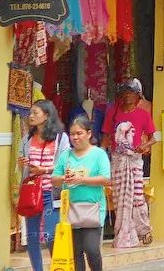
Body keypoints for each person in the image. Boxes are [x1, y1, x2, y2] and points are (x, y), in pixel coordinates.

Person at [101, 79, 155, 247]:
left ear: (137, 96)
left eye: (129, 94)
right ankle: (123, 235)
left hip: (135, 161)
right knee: (119, 198)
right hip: (117, 160)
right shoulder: (113, 113)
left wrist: (144, 146)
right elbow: (107, 137)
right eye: (123, 94)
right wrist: (100, 153)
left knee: (137, 196)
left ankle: (143, 229)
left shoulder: (143, 115)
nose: (126, 98)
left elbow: (155, 138)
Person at [53, 116, 111, 271]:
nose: (75, 137)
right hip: (70, 209)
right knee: (76, 252)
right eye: (72, 134)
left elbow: (106, 179)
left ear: (89, 133)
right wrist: (64, 178)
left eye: (79, 133)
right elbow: (54, 179)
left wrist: (82, 179)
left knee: (92, 249)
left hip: (93, 209)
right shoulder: (66, 156)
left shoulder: (98, 154)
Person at [20, 100, 70, 271]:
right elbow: (23, 163)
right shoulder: (27, 139)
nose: (31, 116)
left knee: (51, 235)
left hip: (51, 192)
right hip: (31, 192)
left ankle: (59, 267)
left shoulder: (61, 138)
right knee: (32, 236)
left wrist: (45, 169)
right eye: (31, 113)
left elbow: (65, 165)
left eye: (35, 113)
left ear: (47, 115)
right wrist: (24, 163)